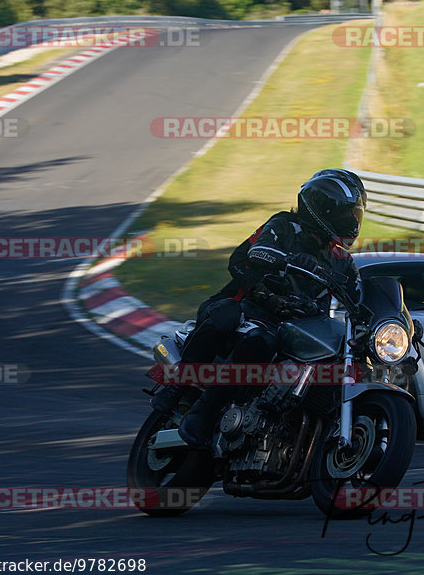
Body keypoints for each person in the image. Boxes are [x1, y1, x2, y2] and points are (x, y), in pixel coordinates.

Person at [150, 169, 367, 448]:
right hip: (251, 309)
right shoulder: (284, 227)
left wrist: (392, 320)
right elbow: (247, 256)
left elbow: (359, 294)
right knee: (254, 340)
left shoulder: (341, 260)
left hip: (298, 329)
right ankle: (194, 405)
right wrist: (274, 276)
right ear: (323, 209)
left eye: (355, 214)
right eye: (345, 213)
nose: (351, 221)